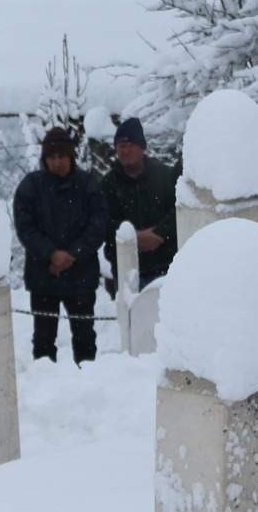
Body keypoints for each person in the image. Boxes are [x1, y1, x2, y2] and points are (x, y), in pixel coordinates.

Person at [14, 127, 109, 364]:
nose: (57, 162)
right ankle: (45, 389)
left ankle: (88, 384)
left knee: (85, 339)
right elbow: (26, 228)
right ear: (44, 158)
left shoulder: (88, 184)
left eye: (62, 156)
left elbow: (98, 224)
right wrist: (50, 254)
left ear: (71, 156)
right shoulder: (31, 186)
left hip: (81, 276)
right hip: (43, 276)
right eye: (52, 157)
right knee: (44, 341)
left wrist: (73, 254)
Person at [101, 117, 180, 289]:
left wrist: (159, 233)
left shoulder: (165, 175)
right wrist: (133, 237)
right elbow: (101, 221)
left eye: (131, 145)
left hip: (165, 266)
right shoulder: (107, 184)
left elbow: (178, 211)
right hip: (126, 270)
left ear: (142, 147)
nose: (126, 151)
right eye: (122, 146)